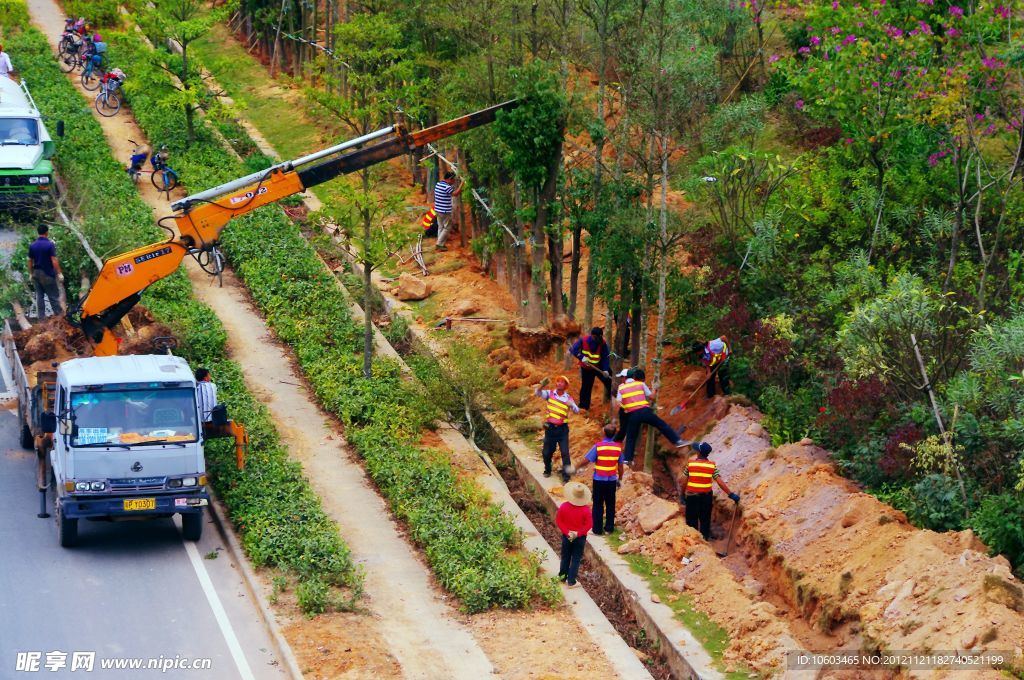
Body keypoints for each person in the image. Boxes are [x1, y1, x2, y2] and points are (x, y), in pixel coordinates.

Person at [616, 368, 688, 465]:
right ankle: (677, 441)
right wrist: (654, 388)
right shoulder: (640, 384)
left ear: (626, 377)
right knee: (661, 425)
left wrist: (627, 407)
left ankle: (628, 459)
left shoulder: (621, 388)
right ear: (634, 377)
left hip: (632, 414)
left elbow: (618, 403)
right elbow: (652, 397)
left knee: (631, 437)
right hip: (645, 411)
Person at [679, 441, 739, 540]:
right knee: (705, 521)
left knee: (691, 521)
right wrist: (731, 494)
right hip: (706, 497)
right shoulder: (711, 466)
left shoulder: (691, 464)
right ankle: (704, 541)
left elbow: (683, 482)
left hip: (692, 497)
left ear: (698, 452)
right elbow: (720, 482)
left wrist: (682, 495)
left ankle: (693, 542)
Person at [575, 423, 624, 535]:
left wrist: (576, 467)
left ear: (603, 433)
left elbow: (587, 460)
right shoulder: (618, 448)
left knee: (597, 504)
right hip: (611, 481)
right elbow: (620, 466)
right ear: (614, 434)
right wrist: (620, 479)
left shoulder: (598, 446)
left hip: (598, 480)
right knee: (610, 504)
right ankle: (609, 528)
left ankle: (597, 529)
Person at [534, 375, 580, 482]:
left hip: (562, 430)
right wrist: (542, 385)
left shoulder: (568, 398)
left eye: (562, 382)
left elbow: (577, 410)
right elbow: (537, 393)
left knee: (565, 453)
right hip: (550, 429)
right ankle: (547, 470)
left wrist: (572, 405)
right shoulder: (550, 394)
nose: (559, 383)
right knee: (547, 452)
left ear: (565, 386)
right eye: (558, 381)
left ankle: (566, 477)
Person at [556, 481, 593, 588]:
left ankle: (562, 577)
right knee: (576, 558)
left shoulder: (564, 506)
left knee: (565, 556)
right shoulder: (586, 510)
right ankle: (571, 581)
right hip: (579, 538)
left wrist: (567, 532)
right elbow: (589, 524)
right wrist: (578, 533)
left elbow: (559, 521)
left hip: (566, 536)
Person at [569, 327, 611, 410]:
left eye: (600, 337)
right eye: (596, 338)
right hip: (587, 369)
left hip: (599, 366)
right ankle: (584, 407)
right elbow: (573, 349)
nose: (598, 340)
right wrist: (581, 357)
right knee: (586, 387)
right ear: (592, 336)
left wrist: (606, 369)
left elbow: (605, 357)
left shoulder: (602, 343)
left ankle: (614, 400)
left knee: (610, 381)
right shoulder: (583, 340)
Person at [27, 225, 63, 319]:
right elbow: (54, 260)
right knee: (53, 296)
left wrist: (30, 273)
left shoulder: (32, 245)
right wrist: (59, 273)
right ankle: (60, 318)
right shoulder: (50, 244)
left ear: (38, 233)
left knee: (39, 297)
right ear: (47, 232)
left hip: (36, 273)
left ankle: (41, 319)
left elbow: (29, 261)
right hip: (47, 273)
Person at [433, 170, 462, 251]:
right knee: (447, 227)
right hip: (445, 211)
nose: (453, 182)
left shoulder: (438, 184)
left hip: (438, 209)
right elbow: (455, 194)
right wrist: (462, 184)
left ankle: (440, 243)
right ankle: (439, 244)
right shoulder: (447, 187)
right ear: (449, 179)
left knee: (441, 227)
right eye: (453, 180)